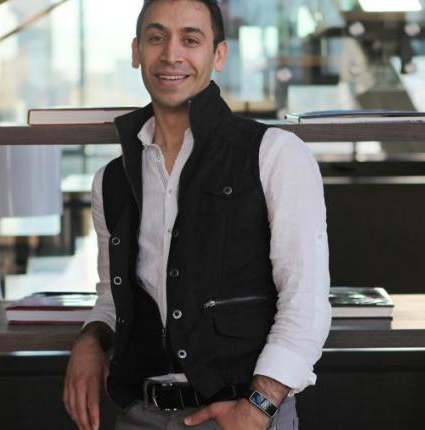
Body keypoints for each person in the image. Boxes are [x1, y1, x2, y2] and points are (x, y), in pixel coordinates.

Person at [63, 1, 330, 429]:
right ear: (136, 52)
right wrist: (90, 340)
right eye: (156, 38)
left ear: (218, 55)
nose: (171, 54)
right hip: (139, 415)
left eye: (191, 39)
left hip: (241, 416)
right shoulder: (110, 181)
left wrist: (259, 406)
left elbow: (306, 301)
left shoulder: (276, 155)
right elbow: (113, 298)